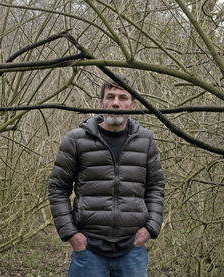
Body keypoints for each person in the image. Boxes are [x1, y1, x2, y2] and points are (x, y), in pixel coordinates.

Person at [48, 74, 164, 277]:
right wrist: (71, 234)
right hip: (89, 249)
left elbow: (155, 186)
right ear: (101, 103)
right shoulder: (76, 140)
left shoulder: (145, 140)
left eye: (123, 97)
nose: (116, 103)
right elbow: (57, 188)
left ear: (133, 104)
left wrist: (150, 227)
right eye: (110, 97)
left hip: (132, 250)